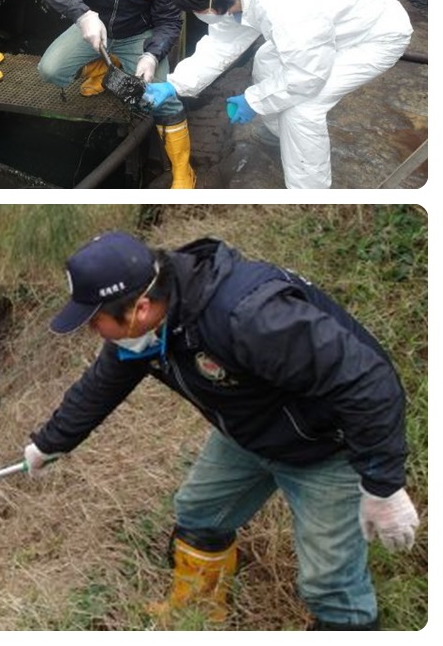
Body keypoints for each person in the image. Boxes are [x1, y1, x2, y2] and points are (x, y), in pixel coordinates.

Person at [24, 230, 419, 630]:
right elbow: (102, 384)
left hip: (326, 447)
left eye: (95, 322)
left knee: (327, 583)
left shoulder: (249, 317)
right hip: (250, 433)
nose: (94, 332)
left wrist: (382, 485)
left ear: (140, 308)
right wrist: (49, 443)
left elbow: (369, 383)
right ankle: (198, 609)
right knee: (199, 513)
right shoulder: (151, 325)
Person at [143, 0, 411, 188]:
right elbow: (220, 44)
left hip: (374, 35)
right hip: (332, 27)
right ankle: (278, 134)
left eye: (197, 9)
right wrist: (175, 84)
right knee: (266, 60)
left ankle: (308, 194)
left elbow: (305, 77)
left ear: (213, 2)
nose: (199, 14)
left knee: (304, 109)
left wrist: (254, 100)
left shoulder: (281, 5)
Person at [33, 0, 194, 188]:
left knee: (164, 100)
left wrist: (152, 55)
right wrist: (82, 14)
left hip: (138, 35)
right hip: (93, 27)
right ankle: (102, 67)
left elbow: (169, 22)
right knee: (50, 69)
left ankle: (183, 170)